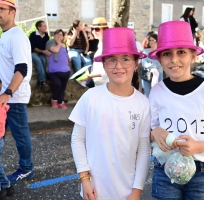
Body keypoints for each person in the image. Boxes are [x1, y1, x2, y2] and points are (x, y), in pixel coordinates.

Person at [147, 20, 204, 200]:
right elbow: (148, 132)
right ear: (160, 58)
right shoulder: (156, 92)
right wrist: (154, 132)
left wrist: (198, 146)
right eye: (166, 54)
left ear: (193, 55)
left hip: (201, 171)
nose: (174, 59)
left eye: (181, 52)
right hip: (165, 169)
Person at [69, 27, 151, 200]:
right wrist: (85, 179)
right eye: (111, 60)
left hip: (127, 191)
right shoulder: (91, 97)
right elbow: (77, 139)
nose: (118, 66)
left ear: (136, 63)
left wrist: (137, 191)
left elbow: (143, 150)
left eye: (126, 59)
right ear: (104, 64)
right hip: (94, 190)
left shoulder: (143, 103)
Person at [0, 0, 34, 184]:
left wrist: (8, 93)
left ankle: (26, 168)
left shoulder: (17, 36)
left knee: (20, 136)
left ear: (12, 12)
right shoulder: (6, 35)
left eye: (0, 9)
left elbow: (22, 68)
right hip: (2, 97)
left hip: (13, 98)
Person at [48, 29, 71, 110]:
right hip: (54, 70)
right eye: (57, 34)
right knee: (57, 84)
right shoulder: (50, 42)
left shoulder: (64, 45)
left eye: (60, 34)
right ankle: (54, 100)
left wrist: (68, 58)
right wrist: (58, 43)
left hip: (65, 70)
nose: (58, 36)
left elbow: (65, 53)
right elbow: (55, 50)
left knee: (63, 87)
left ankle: (61, 102)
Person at [83, 17, 109, 87]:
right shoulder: (100, 44)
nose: (93, 31)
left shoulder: (108, 46)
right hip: (99, 85)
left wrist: (90, 76)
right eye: (92, 29)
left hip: (105, 85)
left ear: (105, 30)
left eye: (97, 29)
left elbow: (108, 71)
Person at [29, 20, 50, 89]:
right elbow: (34, 48)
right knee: (37, 60)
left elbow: (47, 46)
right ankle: (42, 80)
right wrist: (43, 51)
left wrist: (47, 51)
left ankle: (42, 81)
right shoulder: (33, 35)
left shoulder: (46, 35)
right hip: (33, 52)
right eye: (44, 26)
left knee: (44, 60)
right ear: (39, 27)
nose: (46, 27)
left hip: (42, 53)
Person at [140, 33, 163, 98]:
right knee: (147, 93)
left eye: (153, 40)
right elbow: (144, 64)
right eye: (150, 40)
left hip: (158, 74)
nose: (151, 42)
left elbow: (160, 63)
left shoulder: (160, 52)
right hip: (147, 74)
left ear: (157, 41)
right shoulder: (145, 51)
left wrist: (150, 63)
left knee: (158, 93)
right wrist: (154, 65)